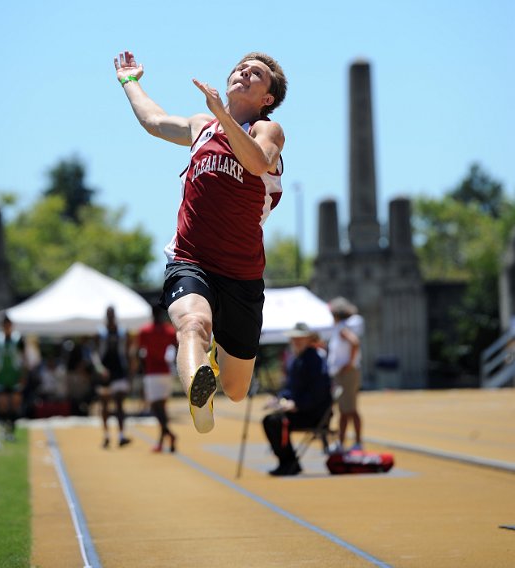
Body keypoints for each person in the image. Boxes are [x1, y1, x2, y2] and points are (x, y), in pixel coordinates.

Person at [114, 49, 287, 434]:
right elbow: (155, 121)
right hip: (190, 258)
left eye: (255, 73)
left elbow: (257, 163)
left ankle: (215, 372)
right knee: (191, 323)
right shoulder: (201, 127)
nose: (243, 71)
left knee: (237, 389)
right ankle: (199, 395)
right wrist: (130, 82)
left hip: (242, 275)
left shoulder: (266, 131)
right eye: (240, 67)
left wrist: (223, 115)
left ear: (267, 99)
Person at [262, 323, 332, 476]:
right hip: (300, 410)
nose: (296, 341)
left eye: (300, 338)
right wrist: (279, 399)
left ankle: (289, 463)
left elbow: (319, 392)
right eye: (294, 338)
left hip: (313, 413)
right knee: (270, 420)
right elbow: (290, 389)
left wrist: (297, 405)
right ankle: (287, 462)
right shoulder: (296, 359)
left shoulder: (315, 359)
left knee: (275, 422)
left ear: (309, 339)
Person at [136, 301, 178, 452]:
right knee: (162, 408)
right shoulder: (169, 331)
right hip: (165, 372)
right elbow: (176, 347)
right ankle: (161, 442)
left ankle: (170, 434)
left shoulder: (144, 331)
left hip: (152, 372)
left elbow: (140, 354)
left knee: (156, 409)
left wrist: (142, 369)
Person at [326, 296, 364, 451]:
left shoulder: (342, 328)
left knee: (349, 409)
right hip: (343, 373)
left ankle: (353, 442)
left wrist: (349, 364)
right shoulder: (341, 327)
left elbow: (354, 342)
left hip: (347, 373)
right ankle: (345, 442)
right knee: (345, 409)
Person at [92, 306, 132, 448]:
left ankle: (121, 435)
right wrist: (100, 369)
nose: (110, 317)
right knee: (105, 405)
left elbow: (127, 353)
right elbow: (95, 354)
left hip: (119, 371)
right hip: (104, 373)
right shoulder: (100, 333)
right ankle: (106, 435)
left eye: (112, 314)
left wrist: (129, 373)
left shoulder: (122, 332)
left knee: (120, 404)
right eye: (108, 314)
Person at [0, 313, 26, 440]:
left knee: (15, 403)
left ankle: (12, 428)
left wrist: (23, 375)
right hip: (2, 375)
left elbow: (23, 358)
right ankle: (4, 427)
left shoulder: (18, 339)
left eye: (8, 324)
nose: (7, 327)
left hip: (14, 375)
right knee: (3, 403)